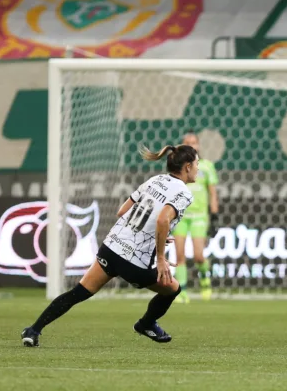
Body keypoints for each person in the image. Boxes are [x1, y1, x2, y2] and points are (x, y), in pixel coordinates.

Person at [20, 144, 197, 347]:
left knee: (79, 292)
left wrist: (153, 234)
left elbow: (123, 211)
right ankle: (146, 324)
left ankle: (33, 330)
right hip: (135, 261)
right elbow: (162, 220)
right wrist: (160, 258)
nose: (198, 168)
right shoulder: (184, 193)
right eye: (197, 163)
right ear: (188, 166)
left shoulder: (154, 181)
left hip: (112, 247)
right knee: (172, 290)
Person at [172, 131, 219, 302]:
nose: (192, 145)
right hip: (181, 216)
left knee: (199, 255)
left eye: (194, 142)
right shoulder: (178, 168)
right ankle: (181, 291)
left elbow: (212, 193)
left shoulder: (206, 167)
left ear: (198, 145)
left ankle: (205, 280)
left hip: (199, 216)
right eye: (187, 142)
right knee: (179, 255)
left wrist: (214, 216)